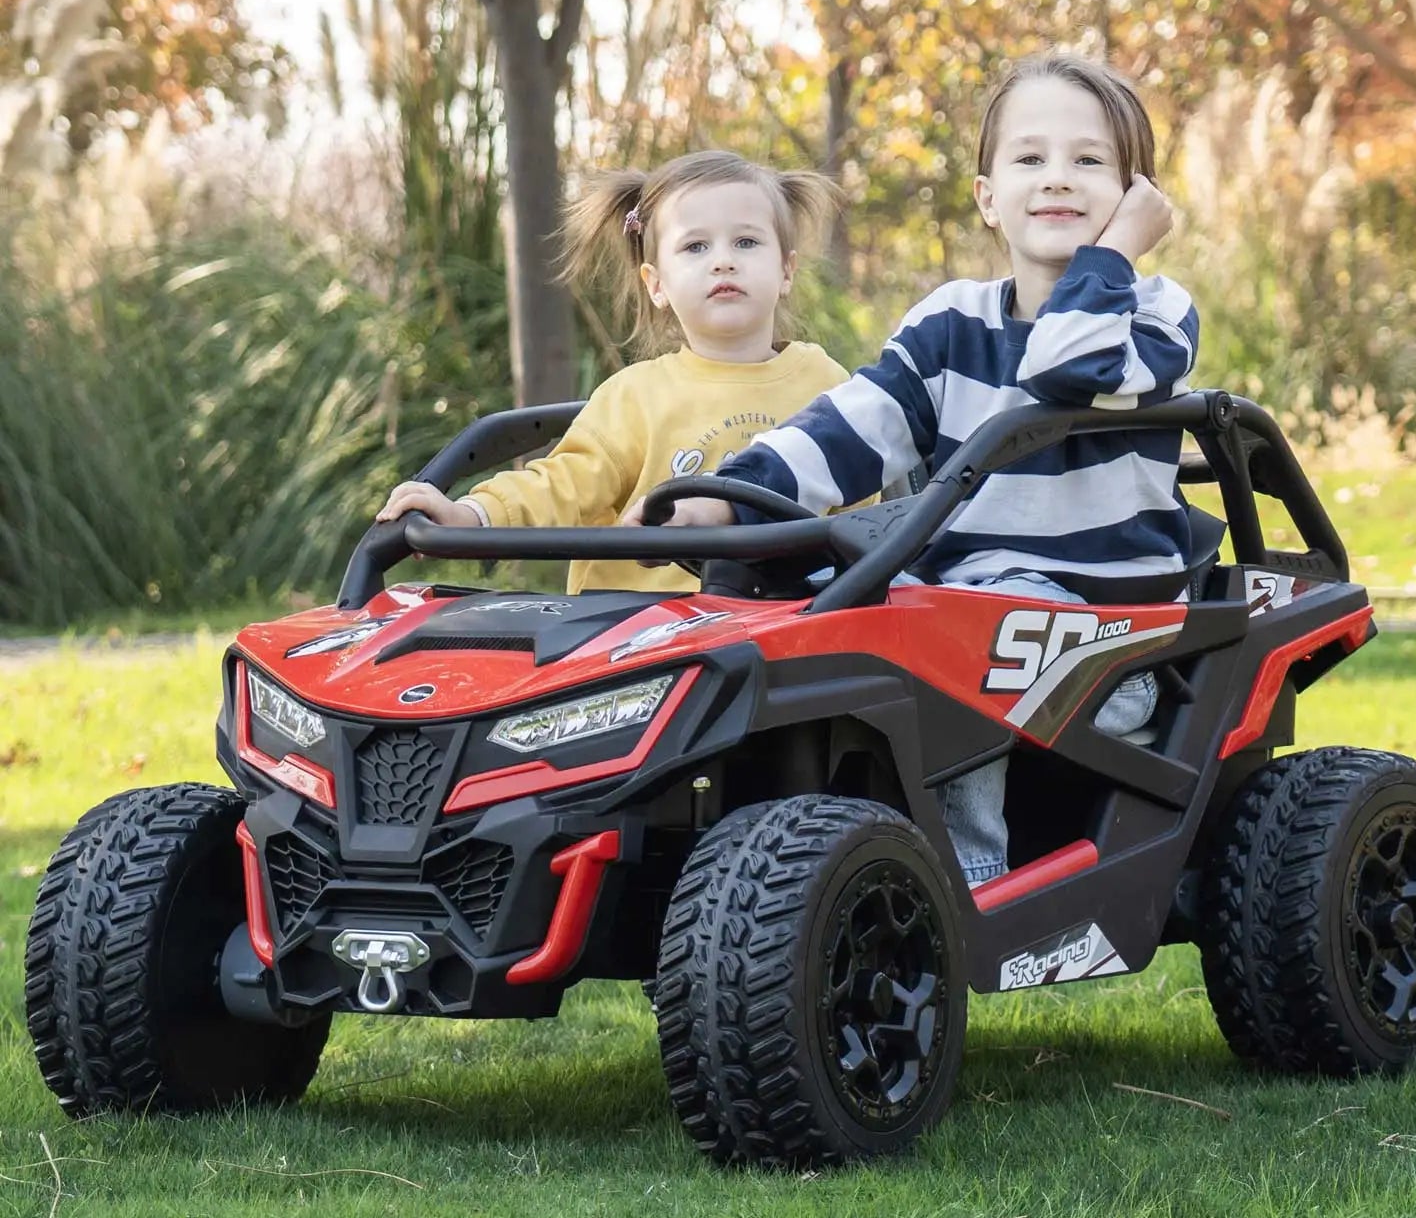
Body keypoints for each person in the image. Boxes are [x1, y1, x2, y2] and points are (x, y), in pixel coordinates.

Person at [626, 53, 1198, 882]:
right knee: (811, 618)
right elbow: (853, 426)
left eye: (1091, 162)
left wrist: (1114, 255)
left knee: (962, 642)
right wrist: (730, 501)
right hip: (957, 615)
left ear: (1135, 196)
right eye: (1029, 159)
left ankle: (960, 883)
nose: (1057, 180)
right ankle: (775, 868)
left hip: (1111, 647)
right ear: (986, 197)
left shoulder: (1154, 311)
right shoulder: (951, 321)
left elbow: (1066, 368)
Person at [376, 150, 848, 594]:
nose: (723, 259)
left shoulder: (824, 383)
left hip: (792, 626)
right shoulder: (636, 397)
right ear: (656, 283)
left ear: (787, 271)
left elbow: (863, 513)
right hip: (644, 643)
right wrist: (471, 514)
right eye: (695, 246)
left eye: (746, 241)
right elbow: (562, 486)